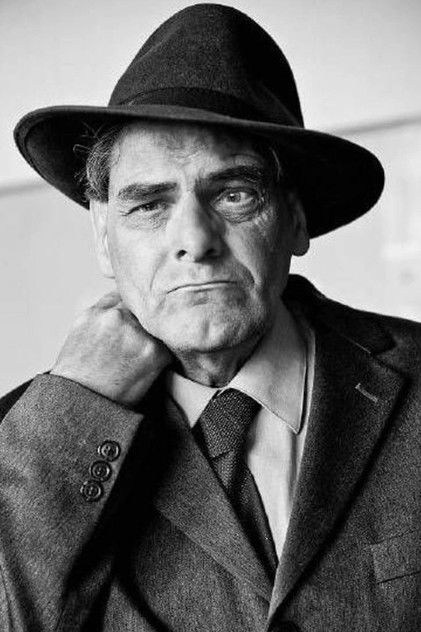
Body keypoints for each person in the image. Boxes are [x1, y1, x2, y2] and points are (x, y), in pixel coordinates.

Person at [2, 3, 421, 631]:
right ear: (103, 237)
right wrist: (79, 404)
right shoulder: (27, 435)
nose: (195, 241)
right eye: (149, 204)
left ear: (295, 218)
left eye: (234, 194)